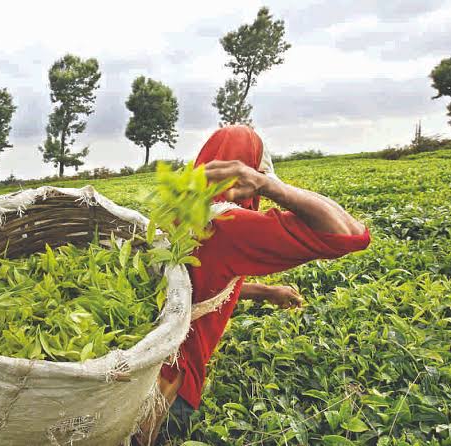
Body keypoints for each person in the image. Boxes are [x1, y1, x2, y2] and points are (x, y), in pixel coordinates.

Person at [134, 125, 371, 446]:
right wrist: (272, 186)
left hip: (136, 378)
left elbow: (197, 285)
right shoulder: (230, 225)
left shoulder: (176, 212)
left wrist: (266, 292)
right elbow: (348, 233)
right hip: (172, 390)